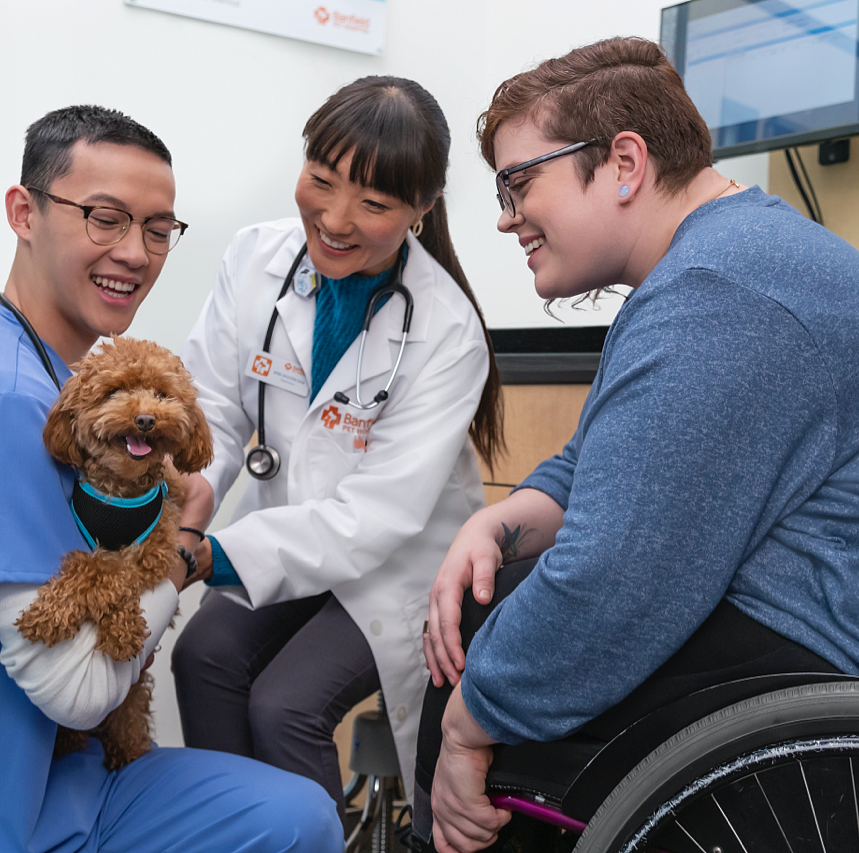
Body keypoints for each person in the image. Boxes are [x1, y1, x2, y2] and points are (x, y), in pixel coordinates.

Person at [415, 37, 859, 853]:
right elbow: (599, 458)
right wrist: (507, 516)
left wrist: (465, 728)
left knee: (471, 664)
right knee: (496, 602)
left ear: (623, 162)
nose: (508, 215)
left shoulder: (720, 296)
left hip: (799, 667)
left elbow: (609, 583)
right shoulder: (723, 261)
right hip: (779, 626)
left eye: (518, 182)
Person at [0, 105, 342, 853]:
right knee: (295, 814)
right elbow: (78, 690)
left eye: (159, 230)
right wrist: (179, 550)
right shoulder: (13, 397)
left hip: (79, 769)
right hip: (22, 799)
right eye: (105, 218)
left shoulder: (63, 374)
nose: (135, 252)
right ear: (23, 212)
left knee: (302, 810)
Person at [171, 76, 504, 826]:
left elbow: (375, 516)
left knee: (284, 704)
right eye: (320, 181)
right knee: (202, 658)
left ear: (422, 207)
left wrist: (208, 558)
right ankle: (229, 841)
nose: (334, 217)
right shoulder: (255, 258)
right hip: (288, 529)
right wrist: (180, 514)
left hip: (394, 560)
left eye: (374, 204)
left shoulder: (446, 331)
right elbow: (212, 413)